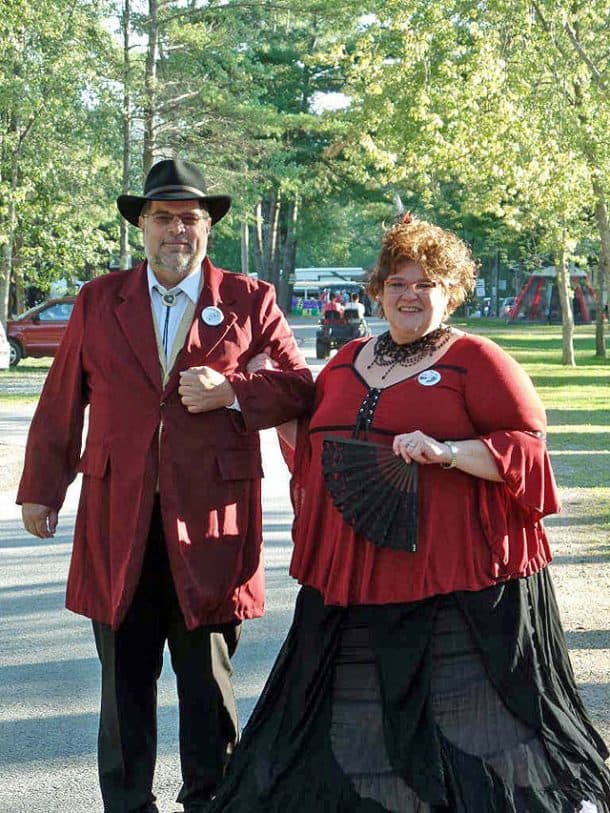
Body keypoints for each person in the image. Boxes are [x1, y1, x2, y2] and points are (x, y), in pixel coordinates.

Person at [207, 213, 610, 812]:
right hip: (357, 583)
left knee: (477, 720)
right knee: (354, 721)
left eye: (426, 283)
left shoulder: (478, 359)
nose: (410, 295)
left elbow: (525, 450)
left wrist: (446, 452)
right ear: (378, 292)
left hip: (459, 580)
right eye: (397, 283)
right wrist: (273, 409)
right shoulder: (345, 361)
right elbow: (317, 452)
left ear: (451, 291)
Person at [16, 158, 314, 813]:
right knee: (123, 679)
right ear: (141, 227)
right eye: (162, 216)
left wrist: (232, 391)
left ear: (207, 228)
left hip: (211, 522)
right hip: (117, 518)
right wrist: (43, 487)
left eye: (190, 217)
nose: (176, 228)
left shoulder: (248, 299)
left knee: (207, 680)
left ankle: (212, 799)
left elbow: (298, 386)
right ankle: (128, 804)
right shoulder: (100, 299)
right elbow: (64, 397)